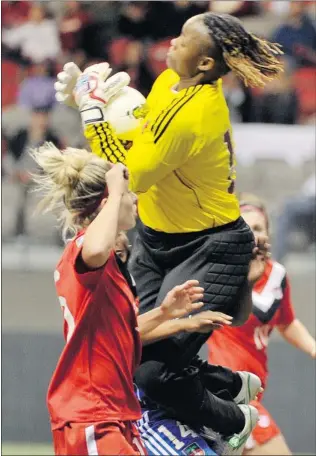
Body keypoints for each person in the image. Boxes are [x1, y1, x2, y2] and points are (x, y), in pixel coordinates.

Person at [55, 11, 282, 451]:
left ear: (204, 65)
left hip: (208, 245)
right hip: (156, 238)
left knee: (151, 376)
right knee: (130, 348)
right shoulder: (165, 84)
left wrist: (91, 112)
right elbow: (138, 138)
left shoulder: (196, 114)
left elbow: (130, 174)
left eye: (184, 40)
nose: (172, 43)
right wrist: (100, 106)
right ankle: (225, 382)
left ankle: (236, 419)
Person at [31, 144, 233, 455]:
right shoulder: (87, 248)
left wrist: (166, 313)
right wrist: (115, 190)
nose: (134, 198)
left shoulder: (109, 266)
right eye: (128, 194)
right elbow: (95, 248)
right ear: (107, 201)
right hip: (92, 412)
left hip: (112, 411)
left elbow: (124, 334)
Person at [207, 194, 316, 456]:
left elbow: (286, 322)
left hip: (255, 389)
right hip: (230, 392)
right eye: (245, 228)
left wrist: (313, 348)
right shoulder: (221, 272)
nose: (252, 235)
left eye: (258, 228)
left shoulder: (277, 274)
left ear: (268, 232)